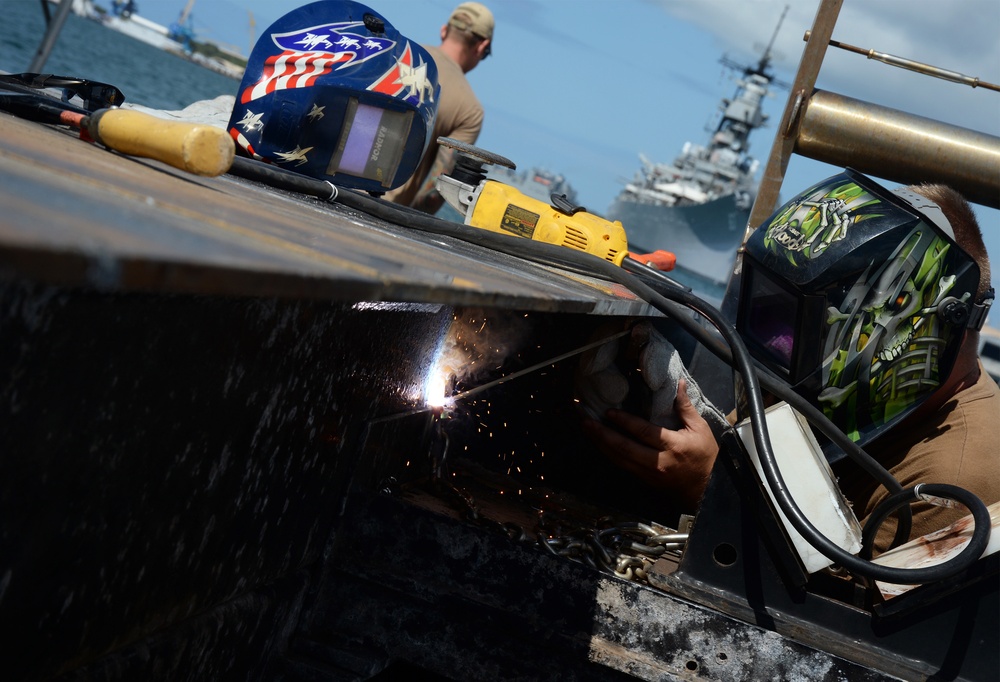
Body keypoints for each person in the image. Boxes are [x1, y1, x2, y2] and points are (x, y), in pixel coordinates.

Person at [582, 170, 999, 553]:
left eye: (811, 330)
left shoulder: (960, 479)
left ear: (917, 326)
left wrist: (712, 485)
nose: (781, 344)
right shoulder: (847, 393)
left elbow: (844, 620)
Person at [383, 2, 493, 214]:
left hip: (331, 188)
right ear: (481, 46)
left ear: (444, 30)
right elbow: (437, 190)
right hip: (381, 209)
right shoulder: (470, 110)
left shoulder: (396, 54)